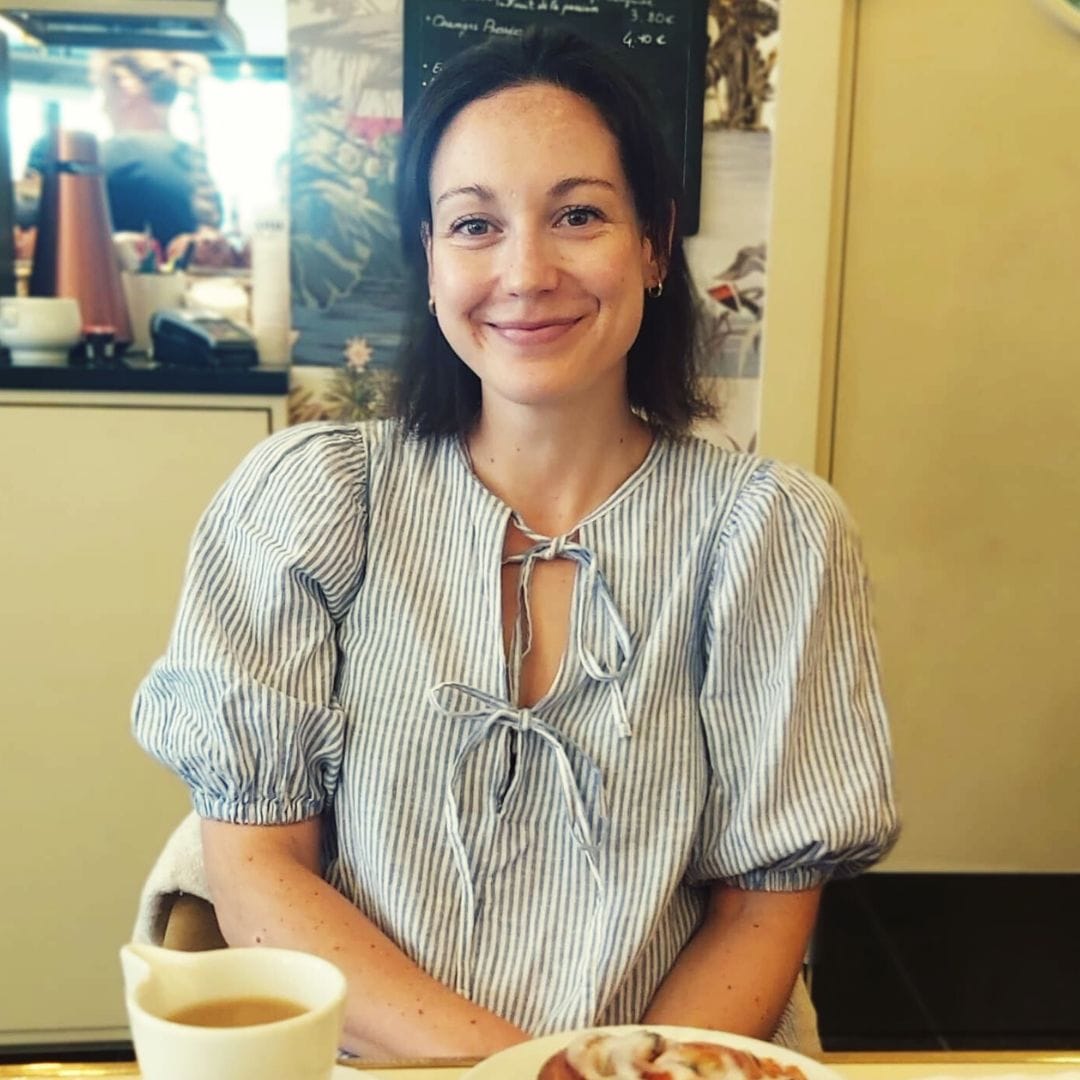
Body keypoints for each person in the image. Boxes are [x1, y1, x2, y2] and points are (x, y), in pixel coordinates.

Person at [132, 29, 898, 1062]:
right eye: (474, 224)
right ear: (431, 257)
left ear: (654, 245)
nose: (525, 272)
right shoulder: (311, 498)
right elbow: (257, 868)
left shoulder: (772, 534)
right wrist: (524, 1071)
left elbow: (760, 911)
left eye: (578, 214)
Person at [91, 50, 222, 249]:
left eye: (104, 93)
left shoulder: (116, 154)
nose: (103, 108)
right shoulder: (191, 160)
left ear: (126, 91)